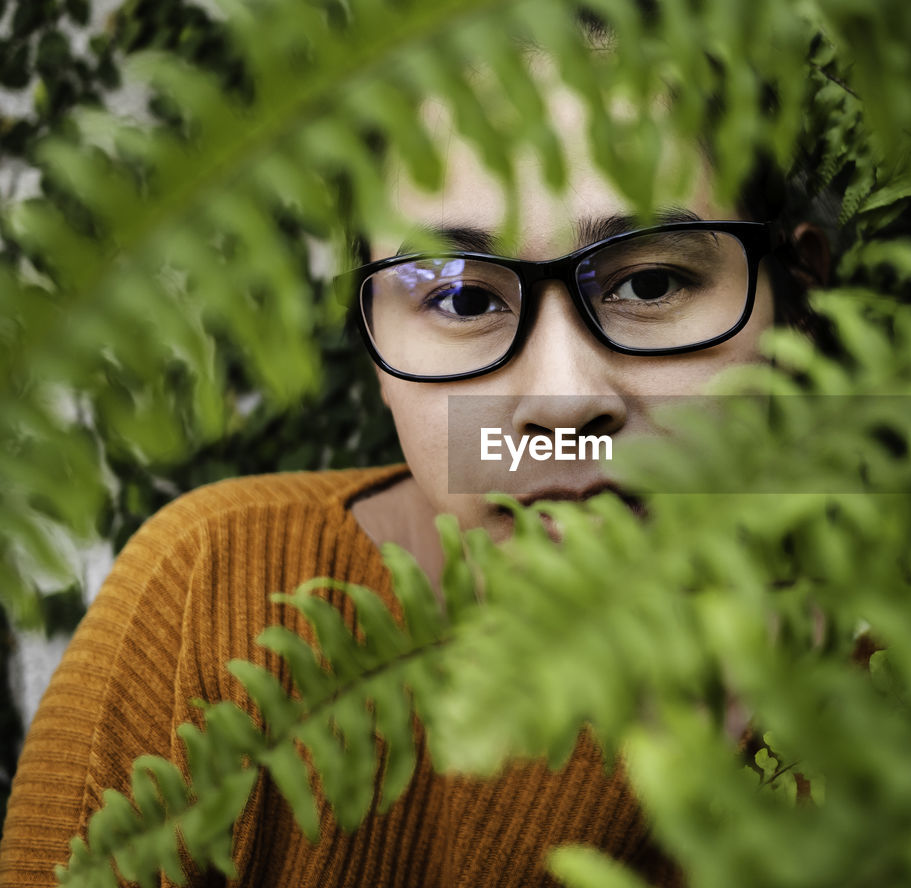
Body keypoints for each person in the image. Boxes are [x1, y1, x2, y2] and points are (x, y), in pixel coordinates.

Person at [0, 44, 827, 888]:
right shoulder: (214, 602)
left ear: (794, 302)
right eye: (462, 299)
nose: (563, 400)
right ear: (376, 360)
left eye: (651, 284)